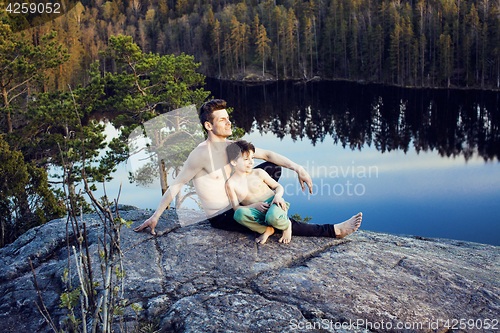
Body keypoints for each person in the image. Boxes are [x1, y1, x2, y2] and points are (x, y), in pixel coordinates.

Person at [134, 99, 362, 238]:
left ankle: (274, 209)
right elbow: (177, 185)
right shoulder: (201, 154)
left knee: (271, 167)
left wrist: (298, 167)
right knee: (273, 220)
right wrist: (156, 216)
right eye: (222, 119)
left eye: (227, 118)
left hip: (240, 199)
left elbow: (269, 155)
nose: (228, 122)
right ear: (208, 126)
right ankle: (333, 231)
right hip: (225, 215)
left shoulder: (232, 147)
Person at [225, 140, 292, 244]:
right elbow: (236, 207)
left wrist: (278, 196)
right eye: (246, 159)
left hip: (273, 204)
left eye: (252, 158)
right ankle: (266, 229)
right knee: (238, 215)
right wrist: (254, 205)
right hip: (256, 211)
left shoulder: (259, 173)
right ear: (234, 162)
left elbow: (278, 186)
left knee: (272, 217)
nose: (251, 162)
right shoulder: (230, 184)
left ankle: (287, 225)